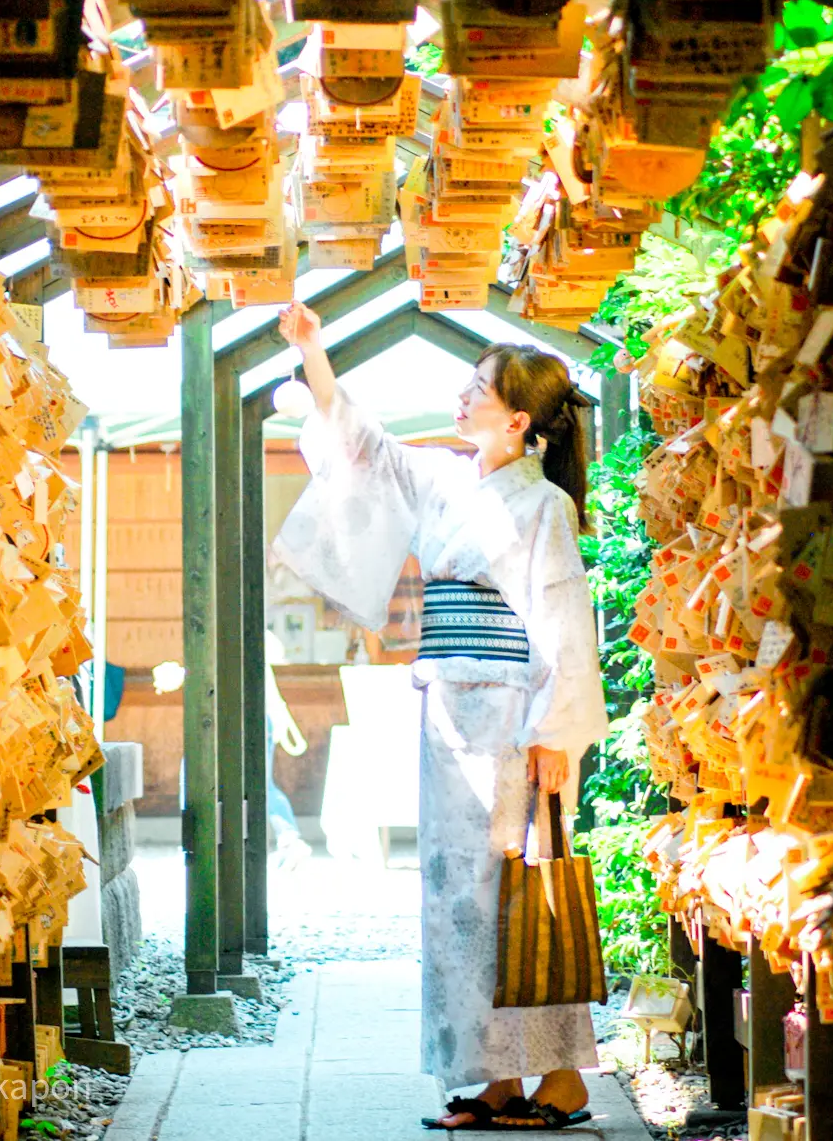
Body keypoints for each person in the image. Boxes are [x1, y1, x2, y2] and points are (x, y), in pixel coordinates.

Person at [271, 302, 609, 1132]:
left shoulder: (544, 509)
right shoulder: (450, 481)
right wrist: (313, 351)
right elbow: (364, 449)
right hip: (448, 720)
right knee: (457, 902)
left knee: (519, 899)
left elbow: (562, 622)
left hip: (510, 725)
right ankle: (492, 1077)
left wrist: (553, 736)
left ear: (519, 419)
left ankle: (560, 1079)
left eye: (475, 393)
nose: (460, 403)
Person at [264, 628, 312, 869]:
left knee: (261, 784)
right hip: (263, 715)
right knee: (263, 784)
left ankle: (290, 838)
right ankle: (289, 838)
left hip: (259, 715)